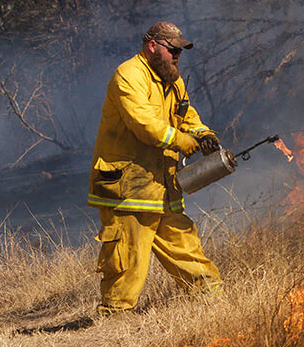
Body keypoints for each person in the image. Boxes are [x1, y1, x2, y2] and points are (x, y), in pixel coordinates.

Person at [87, 21, 223, 315]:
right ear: (153, 46)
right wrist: (182, 141)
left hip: (162, 185)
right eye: (172, 50)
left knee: (185, 244)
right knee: (128, 256)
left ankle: (214, 303)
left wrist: (203, 133)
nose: (177, 56)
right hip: (128, 187)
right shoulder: (128, 76)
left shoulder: (173, 79)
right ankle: (115, 317)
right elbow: (145, 125)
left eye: (180, 52)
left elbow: (187, 115)